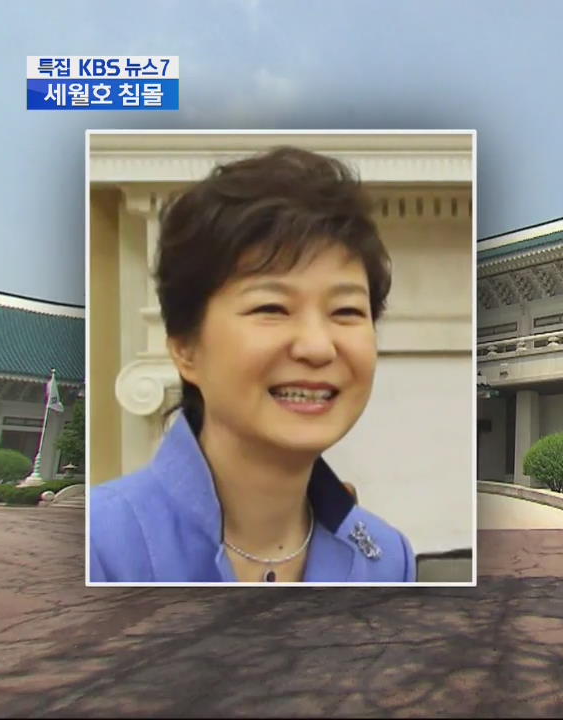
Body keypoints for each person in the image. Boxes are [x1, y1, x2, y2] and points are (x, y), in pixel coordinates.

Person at [90, 147, 415, 583]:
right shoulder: (98, 548)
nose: (318, 348)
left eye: (346, 312)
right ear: (186, 347)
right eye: (272, 307)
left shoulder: (388, 559)